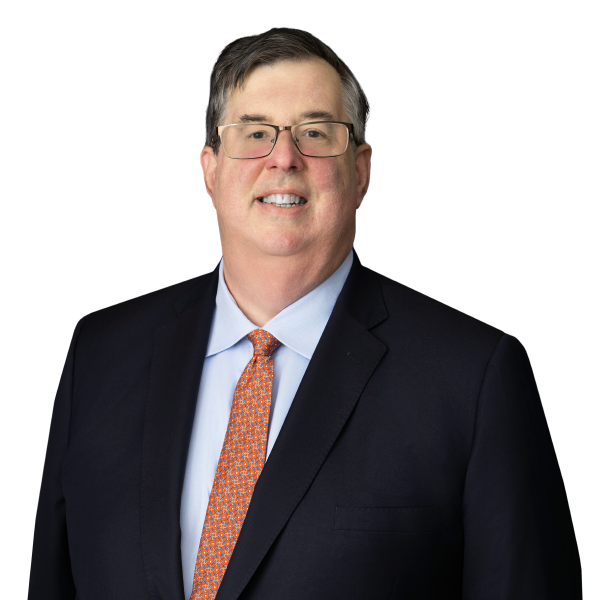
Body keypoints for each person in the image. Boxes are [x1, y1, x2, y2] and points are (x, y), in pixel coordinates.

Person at [29, 29, 581, 600]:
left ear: (360, 173)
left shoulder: (472, 378)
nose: (284, 158)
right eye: (255, 133)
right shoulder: (99, 355)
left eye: (315, 133)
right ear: (210, 172)